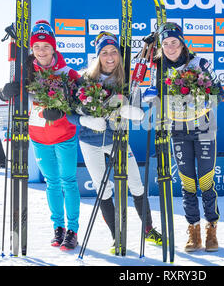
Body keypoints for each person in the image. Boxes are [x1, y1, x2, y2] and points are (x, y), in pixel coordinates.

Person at [66, 31, 162, 252]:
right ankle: (117, 237)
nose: (110, 57)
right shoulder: (84, 79)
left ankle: (148, 230)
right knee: (104, 190)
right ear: (98, 56)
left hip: (116, 138)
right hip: (90, 142)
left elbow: (137, 110)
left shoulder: (126, 80)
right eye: (104, 52)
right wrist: (85, 119)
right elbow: (69, 112)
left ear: (119, 55)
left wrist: (134, 111)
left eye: (114, 52)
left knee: (136, 183)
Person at [0, 20, 81, 251]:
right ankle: (59, 228)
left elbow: (81, 101)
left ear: (53, 48)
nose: (42, 51)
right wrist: (5, 92)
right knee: (52, 183)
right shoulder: (24, 72)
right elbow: (5, 93)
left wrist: (65, 108)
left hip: (64, 136)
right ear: (32, 49)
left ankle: (72, 230)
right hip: (37, 136)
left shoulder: (67, 73)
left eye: (46, 46)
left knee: (68, 181)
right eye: (37, 47)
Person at [150, 22, 224, 252]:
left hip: (203, 128)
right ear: (161, 47)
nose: (170, 47)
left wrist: (199, 100)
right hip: (178, 131)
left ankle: (211, 228)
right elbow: (153, 94)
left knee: (205, 181)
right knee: (187, 183)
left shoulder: (200, 63)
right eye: (165, 44)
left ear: (182, 43)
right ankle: (193, 230)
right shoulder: (158, 68)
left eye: (174, 42)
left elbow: (219, 93)